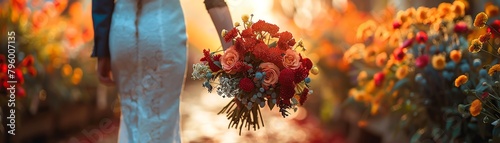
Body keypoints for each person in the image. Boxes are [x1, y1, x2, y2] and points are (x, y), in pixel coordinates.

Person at [91, 0, 233, 142]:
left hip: (122, 29)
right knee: (162, 119)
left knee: (131, 119)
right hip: (163, 24)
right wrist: (232, 52)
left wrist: (102, 49)